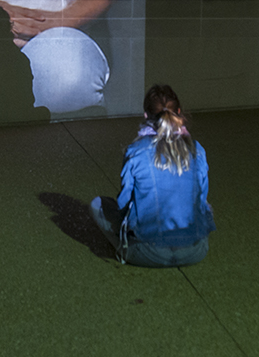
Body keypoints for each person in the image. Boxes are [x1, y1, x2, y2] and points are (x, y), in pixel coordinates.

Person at [90, 85, 216, 267]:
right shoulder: (197, 149)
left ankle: (126, 246)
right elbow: (202, 199)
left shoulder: (136, 152)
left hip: (148, 253)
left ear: (146, 116)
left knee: (98, 205)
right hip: (195, 251)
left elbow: (124, 203)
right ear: (178, 112)